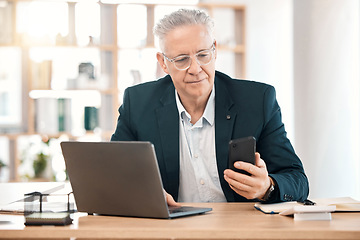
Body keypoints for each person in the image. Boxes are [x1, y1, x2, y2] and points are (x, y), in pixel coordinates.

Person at [111, 9, 309, 205]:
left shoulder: (258, 101)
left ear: (214, 50)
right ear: (163, 63)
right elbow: (112, 174)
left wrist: (268, 187)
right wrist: (140, 193)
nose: (196, 69)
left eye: (203, 55)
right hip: (169, 230)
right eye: (181, 60)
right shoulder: (137, 103)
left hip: (239, 229)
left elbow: (297, 180)